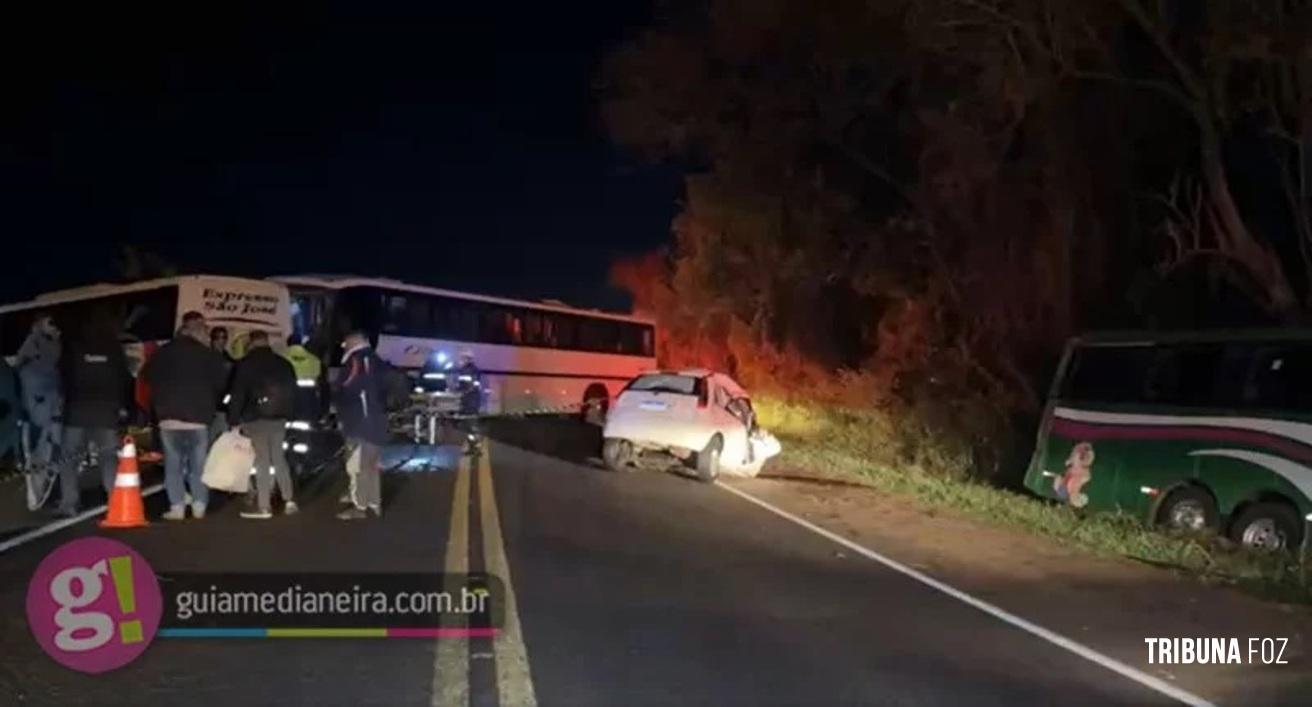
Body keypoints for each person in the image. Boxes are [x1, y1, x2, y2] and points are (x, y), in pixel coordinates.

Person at [141, 311, 227, 520]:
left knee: (173, 466)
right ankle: (199, 505)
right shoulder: (207, 354)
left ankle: (177, 507)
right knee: (198, 466)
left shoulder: (163, 353)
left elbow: (146, 376)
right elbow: (221, 383)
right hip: (198, 419)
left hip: (169, 418)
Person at [56, 315, 130, 517]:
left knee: (68, 459)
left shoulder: (73, 347)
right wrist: (121, 406)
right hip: (106, 412)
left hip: (77, 412)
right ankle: (115, 499)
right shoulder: (113, 348)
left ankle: (69, 503)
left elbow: (63, 377)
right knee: (108, 457)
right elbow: (123, 378)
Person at [228, 330, 298, 519]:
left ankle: (264, 506)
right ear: (267, 342)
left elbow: (238, 394)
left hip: (255, 416)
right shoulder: (284, 363)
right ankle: (289, 500)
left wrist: (233, 419)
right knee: (279, 458)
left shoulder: (246, 364)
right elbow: (293, 390)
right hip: (279, 417)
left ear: (251, 343)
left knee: (262, 461)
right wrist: (290, 414)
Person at [334, 330, 388, 520]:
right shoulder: (378, 360)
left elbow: (347, 388)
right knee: (372, 465)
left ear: (354, 341)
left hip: (360, 421)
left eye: (345, 342)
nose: (343, 346)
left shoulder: (355, 360)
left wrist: (338, 408)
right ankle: (374, 503)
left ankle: (360, 506)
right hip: (378, 419)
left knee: (358, 466)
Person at [16, 314, 62, 468]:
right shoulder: (45, 345)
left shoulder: (37, 344)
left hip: (38, 403)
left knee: (38, 437)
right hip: (44, 402)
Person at [207, 326, 235, 444]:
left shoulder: (230, 360)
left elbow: (233, 384)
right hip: (206, 407)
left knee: (221, 442)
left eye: (224, 338)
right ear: (212, 339)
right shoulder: (204, 357)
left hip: (222, 408)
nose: (221, 341)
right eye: (217, 337)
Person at [453, 348, 482, 452]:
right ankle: (473, 446)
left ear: (467, 359)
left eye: (462, 358)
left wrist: (462, 393)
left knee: (471, 424)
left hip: (471, 401)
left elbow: (472, 386)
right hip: (469, 400)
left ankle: (476, 446)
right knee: (468, 425)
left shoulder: (471, 371)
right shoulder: (466, 370)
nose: (460, 360)